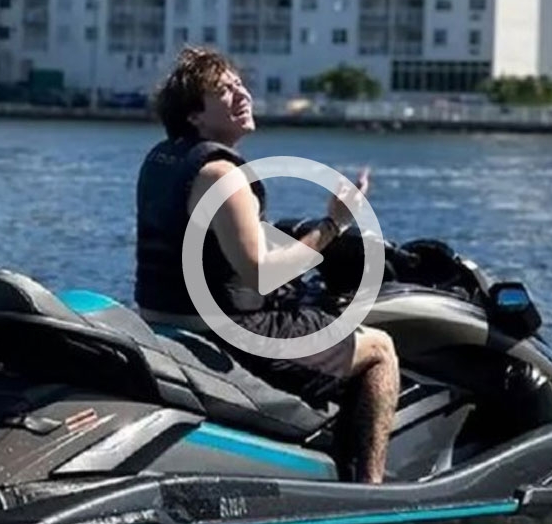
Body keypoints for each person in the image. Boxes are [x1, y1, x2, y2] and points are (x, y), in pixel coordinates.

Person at [134, 47, 399, 483]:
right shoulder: (222, 176)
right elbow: (261, 274)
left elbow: (203, 244)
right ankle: (370, 489)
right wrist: (334, 223)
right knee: (379, 350)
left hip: (165, 320)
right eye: (224, 90)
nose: (242, 94)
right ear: (195, 115)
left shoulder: (163, 159)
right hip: (232, 333)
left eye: (240, 84)